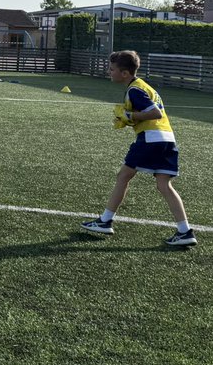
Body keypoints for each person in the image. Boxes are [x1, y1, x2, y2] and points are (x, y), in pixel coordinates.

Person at [80, 49, 197, 247]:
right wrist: (130, 119)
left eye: (112, 69)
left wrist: (130, 116)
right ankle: (185, 231)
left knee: (123, 176)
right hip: (167, 139)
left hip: (150, 139)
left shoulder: (134, 90)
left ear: (125, 73)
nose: (109, 72)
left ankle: (105, 221)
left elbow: (154, 113)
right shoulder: (144, 86)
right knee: (164, 185)